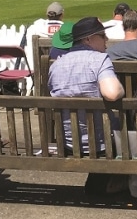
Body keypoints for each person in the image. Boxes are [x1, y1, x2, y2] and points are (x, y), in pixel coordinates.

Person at [47, 16, 126, 196]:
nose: (106, 40)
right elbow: (112, 93)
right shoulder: (99, 60)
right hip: (98, 143)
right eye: (102, 35)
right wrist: (121, 88)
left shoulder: (56, 65)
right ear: (88, 39)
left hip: (66, 141)